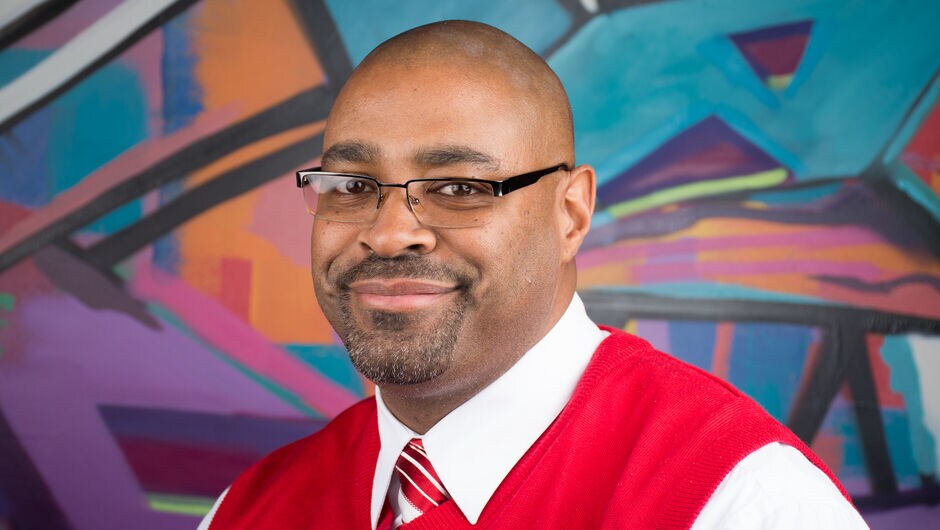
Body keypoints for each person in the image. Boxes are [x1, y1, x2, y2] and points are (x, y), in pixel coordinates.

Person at [198, 20, 868, 529]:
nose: (390, 231)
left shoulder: (738, 500)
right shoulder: (248, 509)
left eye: (459, 187)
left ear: (570, 214)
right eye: (350, 183)